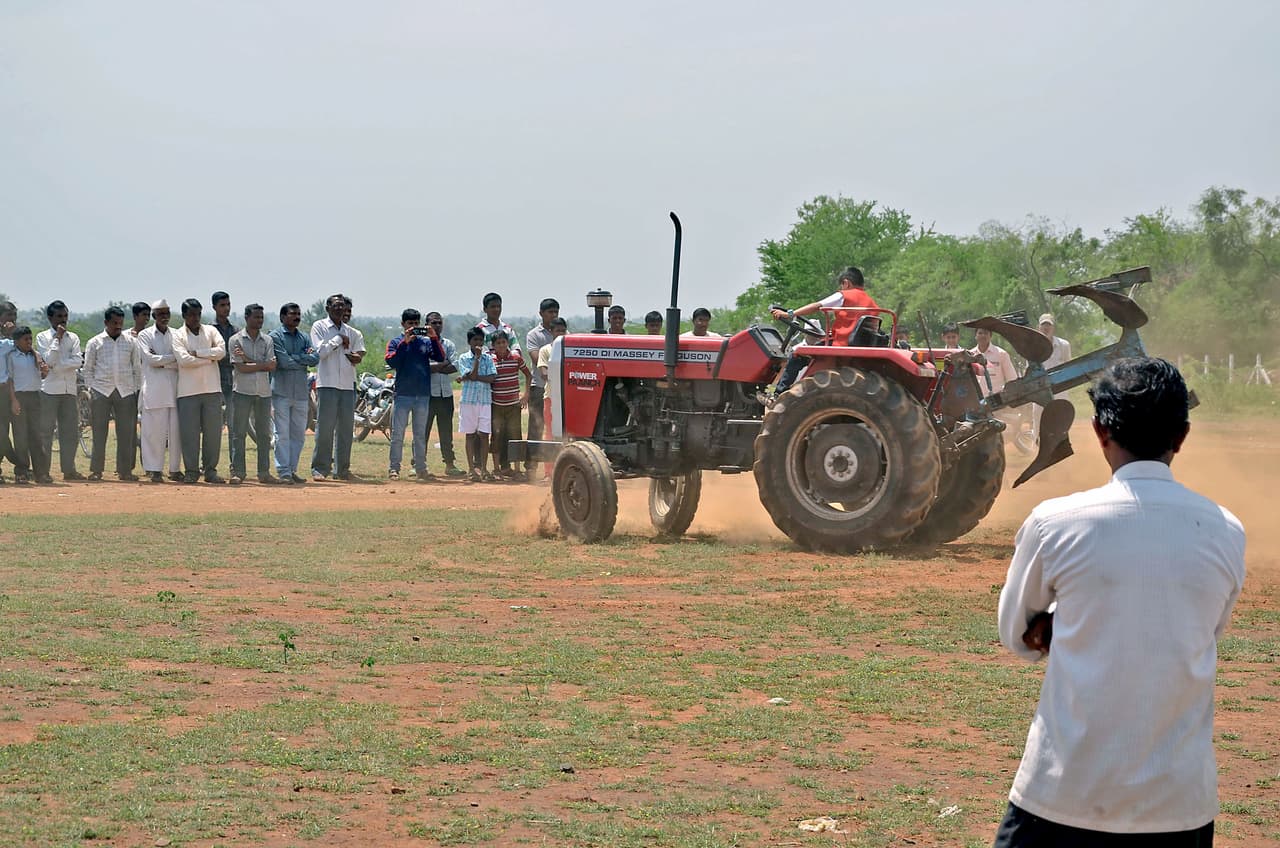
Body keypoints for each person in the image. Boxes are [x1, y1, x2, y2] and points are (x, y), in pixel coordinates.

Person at [995, 357, 1244, 848]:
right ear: (1182, 436)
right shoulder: (1226, 531)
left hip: (1062, 793)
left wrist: (1060, 622)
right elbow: (1203, 631)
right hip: (1178, 805)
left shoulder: (1054, 523)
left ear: (1099, 431)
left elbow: (1016, 636)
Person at [770, 266, 878, 394]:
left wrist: (789, 314)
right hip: (857, 345)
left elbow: (817, 306)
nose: (841, 289)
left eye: (841, 286)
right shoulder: (872, 303)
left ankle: (778, 393)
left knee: (797, 354)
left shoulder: (844, 295)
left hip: (841, 344)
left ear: (846, 283)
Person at [384, 308, 445, 481]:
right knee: (397, 434)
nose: (413, 327)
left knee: (420, 435)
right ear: (403, 324)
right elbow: (391, 361)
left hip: (422, 395)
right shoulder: (396, 342)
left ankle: (421, 469)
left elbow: (440, 357)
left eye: (416, 324)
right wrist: (405, 343)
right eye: (410, 324)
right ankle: (394, 468)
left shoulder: (425, 342)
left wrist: (433, 338)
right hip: (403, 394)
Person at [82, 305, 142, 482]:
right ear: (106, 322)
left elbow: (137, 368)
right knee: (99, 433)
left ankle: (125, 471)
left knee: (126, 434)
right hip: (101, 391)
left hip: (126, 391)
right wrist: (92, 389)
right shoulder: (95, 342)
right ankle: (96, 470)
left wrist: (136, 389)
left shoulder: (131, 342)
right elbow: (88, 369)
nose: (118, 326)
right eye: (114, 323)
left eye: (120, 323)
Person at [310, 294, 365, 481]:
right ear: (327, 308)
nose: (340, 309)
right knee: (325, 428)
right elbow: (320, 352)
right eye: (336, 305)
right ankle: (320, 468)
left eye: (342, 306)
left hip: (348, 384)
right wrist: (338, 340)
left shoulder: (353, 332)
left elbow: (358, 355)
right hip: (327, 383)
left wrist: (355, 357)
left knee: (346, 430)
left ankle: (342, 470)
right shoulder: (319, 327)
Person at [172, 298, 227, 484]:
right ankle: (191, 471)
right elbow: (183, 360)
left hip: (212, 389)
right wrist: (209, 358)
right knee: (189, 435)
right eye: (191, 315)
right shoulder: (178, 335)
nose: (195, 318)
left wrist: (198, 353)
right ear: (184, 315)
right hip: (187, 392)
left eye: (198, 314)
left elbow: (221, 352)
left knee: (213, 434)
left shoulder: (211, 330)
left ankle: (210, 471)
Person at [227, 304, 278, 484]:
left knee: (264, 435)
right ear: (247, 318)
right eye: (256, 317)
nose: (259, 320)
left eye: (261, 317)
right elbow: (240, 368)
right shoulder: (235, 340)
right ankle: (238, 472)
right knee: (238, 434)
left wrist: (248, 360)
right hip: (242, 391)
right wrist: (260, 364)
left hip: (263, 392)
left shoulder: (268, 340)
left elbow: (272, 366)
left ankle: (264, 473)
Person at [270, 302, 319, 484]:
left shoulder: (304, 337)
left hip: (300, 393)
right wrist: (302, 359)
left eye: (298, 314)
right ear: (283, 317)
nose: (297, 317)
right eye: (292, 314)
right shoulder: (275, 336)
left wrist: (296, 358)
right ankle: (283, 471)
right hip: (281, 392)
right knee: (282, 434)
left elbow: (315, 358)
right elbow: (283, 362)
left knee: (298, 434)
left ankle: (292, 470)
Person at [36, 300, 85, 480]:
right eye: (59, 316)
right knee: (45, 433)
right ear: (50, 318)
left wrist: (57, 365)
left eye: (65, 316)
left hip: (69, 390)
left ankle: (69, 470)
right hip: (49, 391)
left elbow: (78, 361)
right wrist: (57, 338)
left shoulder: (73, 338)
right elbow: (48, 361)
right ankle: (43, 471)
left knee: (70, 433)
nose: (63, 320)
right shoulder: (43, 337)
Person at [137, 300, 183, 483]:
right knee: (153, 433)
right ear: (154, 316)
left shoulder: (177, 334)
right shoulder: (145, 335)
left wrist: (162, 361)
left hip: (175, 389)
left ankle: (175, 470)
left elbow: (181, 359)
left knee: (176, 433)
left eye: (167, 313)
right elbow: (150, 360)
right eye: (160, 314)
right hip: (154, 390)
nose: (164, 317)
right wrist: (172, 359)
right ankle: (154, 470)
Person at [7, 327, 50, 484]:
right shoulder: (12, 356)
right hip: (19, 396)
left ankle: (41, 473)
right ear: (17, 341)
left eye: (30, 339)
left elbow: (43, 375)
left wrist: (45, 370)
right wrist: (13, 400)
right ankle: (22, 471)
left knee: (36, 436)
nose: (29, 342)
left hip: (35, 397)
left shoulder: (36, 356)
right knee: (20, 436)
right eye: (25, 339)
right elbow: (10, 380)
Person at [423, 312, 465, 478]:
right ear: (427, 324)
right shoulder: (422, 344)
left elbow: (454, 367)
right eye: (433, 323)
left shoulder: (449, 344)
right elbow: (423, 367)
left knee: (446, 431)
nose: (437, 325)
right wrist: (443, 363)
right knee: (422, 431)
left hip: (445, 394)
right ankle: (418, 463)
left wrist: (435, 366)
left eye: (439, 323)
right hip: (427, 394)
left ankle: (450, 464)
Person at [455, 326, 497, 482]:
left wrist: (472, 377)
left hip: (485, 400)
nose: (478, 343)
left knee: (485, 435)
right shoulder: (464, 358)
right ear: (469, 342)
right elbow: (472, 375)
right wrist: (477, 361)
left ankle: (484, 468)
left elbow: (492, 378)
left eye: (480, 340)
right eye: (475, 340)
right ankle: (472, 469)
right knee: (470, 435)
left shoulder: (488, 358)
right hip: (469, 401)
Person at [489, 333, 531, 480]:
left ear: (507, 343)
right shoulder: (491, 360)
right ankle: (496, 470)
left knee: (516, 436)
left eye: (503, 342)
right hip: (496, 405)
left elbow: (528, 375)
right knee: (496, 437)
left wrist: (526, 395)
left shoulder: (515, 358)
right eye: (498, 343)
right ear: (493, 346)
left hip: (513, 406)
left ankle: (517, 470)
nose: (501, 345)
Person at [524, 298, 559, 467]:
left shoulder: (564, 333)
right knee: (536, 427)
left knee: (557, 428)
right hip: (539, 386)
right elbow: (537, 359)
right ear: (541, 313)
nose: (553, 315)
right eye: (550, 312)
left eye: (556, 312)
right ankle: (530, 467)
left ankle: (555, 466)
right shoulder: (534, 335)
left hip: (558, 389)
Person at [1031, 313, 1073, 441]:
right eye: (1043, 325)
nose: (1046, 328)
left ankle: (1062, 443)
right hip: (1040, 389)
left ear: (1053, 328)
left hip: (1060, 388)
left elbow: (1068, 366)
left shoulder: (1064, 345)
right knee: (1038, 416)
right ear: (1038, 327)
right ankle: (1037, 443)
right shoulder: (1032, 346)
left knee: (1061, 417)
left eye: (1048, 325)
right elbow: (1030, 370)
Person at [535, 317, 567, 480]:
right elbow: (543, 373)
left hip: (569, 398)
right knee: (550, 434)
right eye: (557, 331)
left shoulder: (571, 349)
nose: (560, 333)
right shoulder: (545, 350)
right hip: (552, 397)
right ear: (551, 332)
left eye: (563, 330)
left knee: (568, 434)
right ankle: (549, 472)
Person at [211, 291, 236, 427]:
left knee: (234, 421)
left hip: (233, 380)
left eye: (228, 304)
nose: (226, 308)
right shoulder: (208, 330)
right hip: (214, 379)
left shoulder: (235, 330)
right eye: (222, 305)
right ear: (214, 307)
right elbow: (211, 355)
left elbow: (239, 355)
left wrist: (221, 355)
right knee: (214, 421)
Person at [0, 301, 19, 481]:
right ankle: (16, 461)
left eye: (14, 316)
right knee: (2, 433)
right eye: (8, 316)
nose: (12, 320)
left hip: (13, 391)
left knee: (14, 430)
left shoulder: (18, 336)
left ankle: (21, 467)